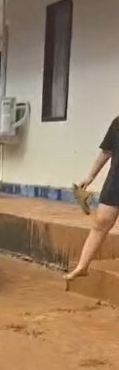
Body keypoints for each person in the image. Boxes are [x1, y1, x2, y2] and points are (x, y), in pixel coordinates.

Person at [67, 117, 119, 280]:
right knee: (101, 222)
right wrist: (90, 176)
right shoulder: (117, 123)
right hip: (116, 180)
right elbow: (106, 151)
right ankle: (83, 266)